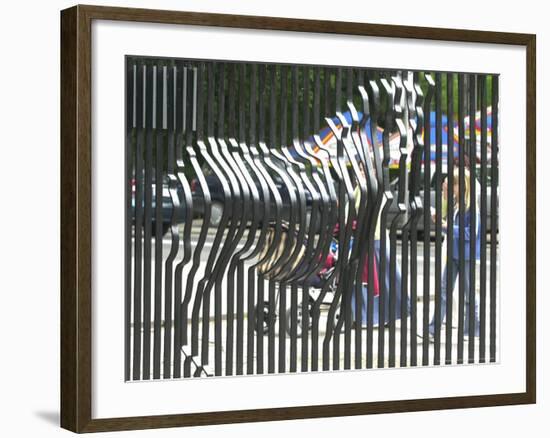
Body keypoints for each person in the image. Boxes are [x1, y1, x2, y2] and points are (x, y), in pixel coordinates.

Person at [428, 167, 481, 339]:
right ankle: (433, 329)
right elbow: (450, 230)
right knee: (443, 291)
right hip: (453, 254)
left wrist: (446, 226)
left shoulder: (473, 208)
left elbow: (469, 233)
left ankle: (472, 330)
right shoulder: (455, 205)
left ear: (464, 186)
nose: (452, 187)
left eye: (455, 184)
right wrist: (440, 223)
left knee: (468, 294)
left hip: (466, 256)